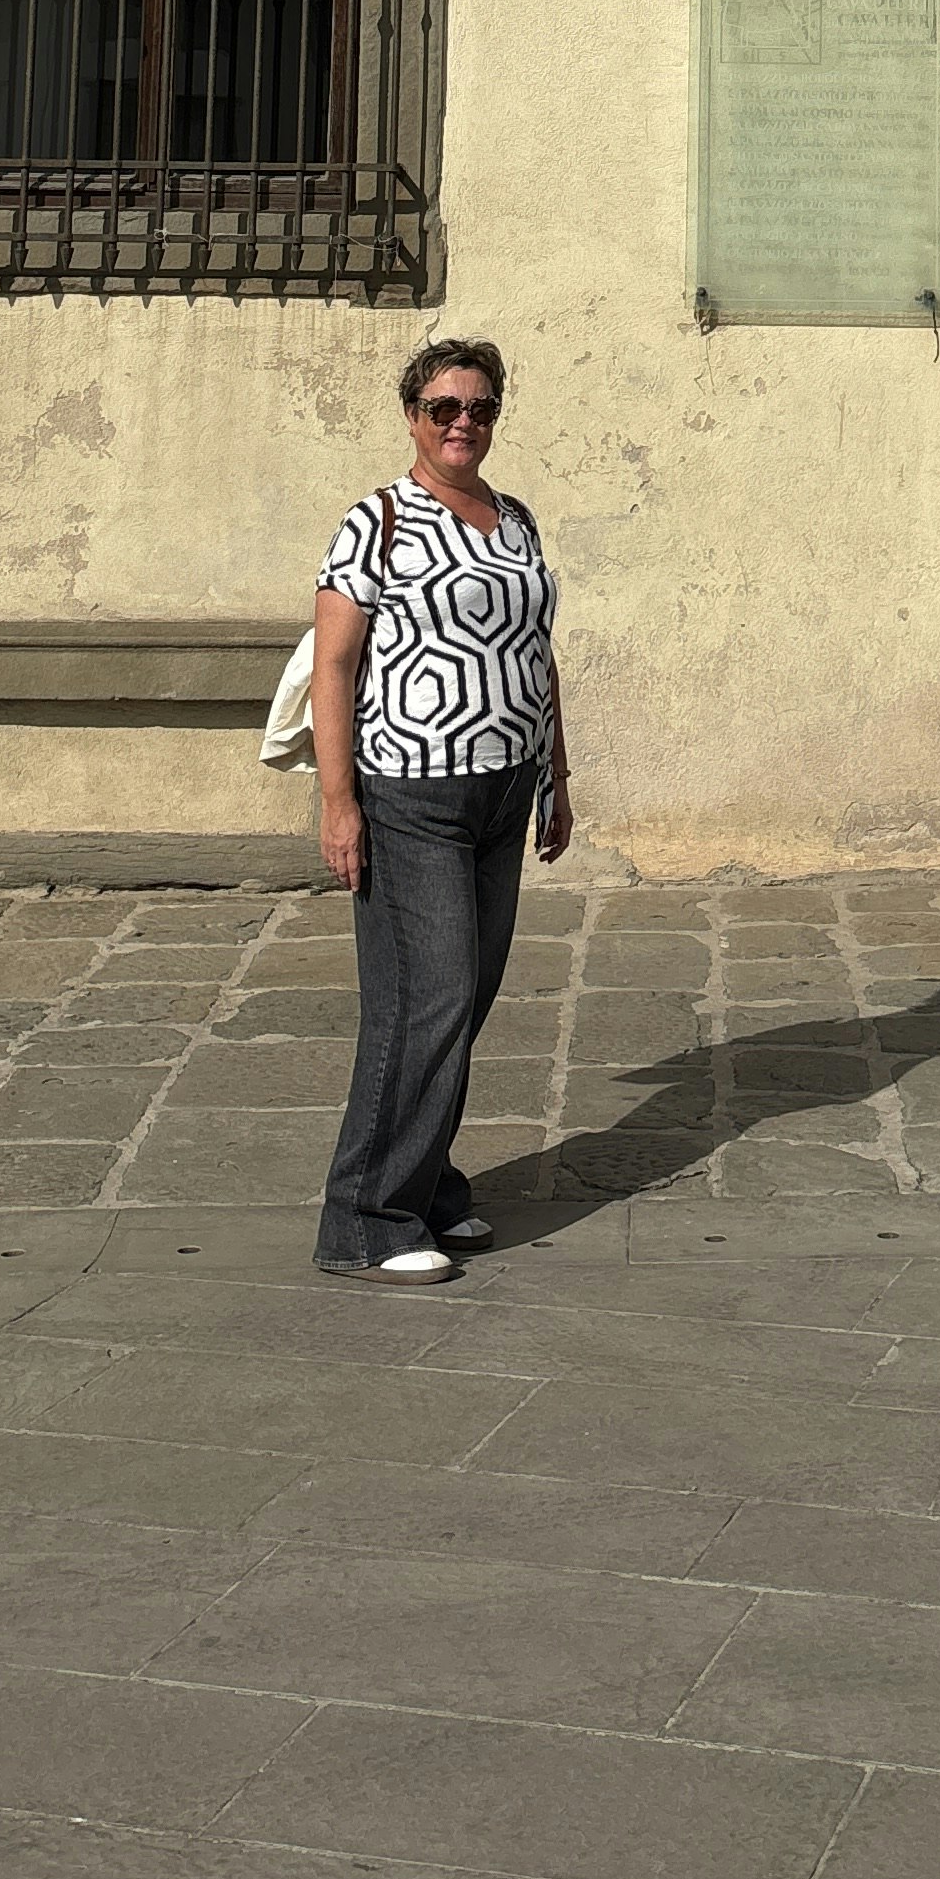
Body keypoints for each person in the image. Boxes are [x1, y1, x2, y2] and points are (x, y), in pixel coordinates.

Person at [306, 338, 571, 1280]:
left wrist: (557, 777)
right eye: (444, 407)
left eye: (482, 407)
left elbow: (537, 657)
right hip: (411, 789)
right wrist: (340, 805)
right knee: (426, 999)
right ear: (412, 413)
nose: (464, 422)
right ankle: (367, 1218)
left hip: (505, 786)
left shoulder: (518, 519)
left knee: (466, 1000)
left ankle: (428, 1187)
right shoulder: (377, 522)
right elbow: (332, 669)